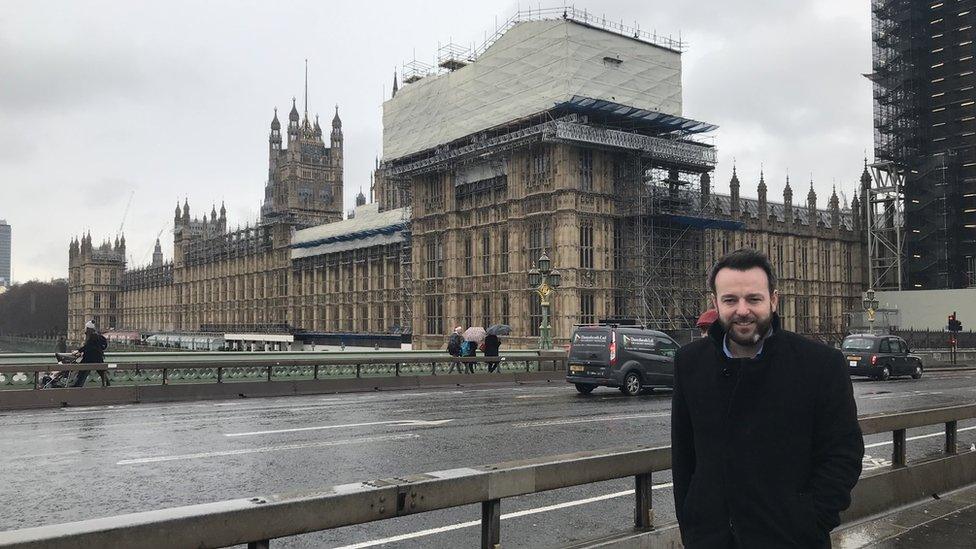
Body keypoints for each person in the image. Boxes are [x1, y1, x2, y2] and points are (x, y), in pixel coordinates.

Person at [671, 248, 863, 548]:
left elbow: (844, 454)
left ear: (774, 300)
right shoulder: (689, 362)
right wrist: (691, 523)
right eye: (730, 300)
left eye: (754, 299)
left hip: (790, 539)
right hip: (711, 539)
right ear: (715, 303)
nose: (742, 310)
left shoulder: (821, 364)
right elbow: (684, 458)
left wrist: (809, 520)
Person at [71, 320, 110, 387]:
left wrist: (78, 351)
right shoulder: (98, 336)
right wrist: (100, 349)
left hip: (89, 358)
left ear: (88, 329)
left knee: (82, 371)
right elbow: (104, 345)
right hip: (98, 357)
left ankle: (77, 385)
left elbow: (88, 346)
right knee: (102, 372)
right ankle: (107, 385)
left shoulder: (92, 336)